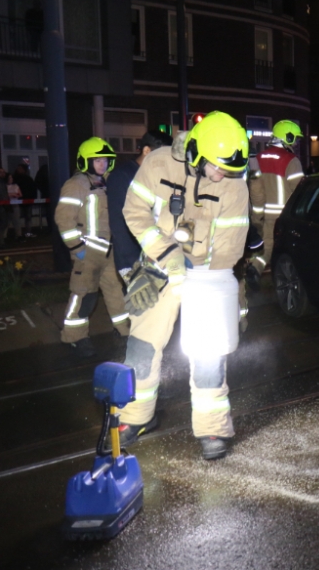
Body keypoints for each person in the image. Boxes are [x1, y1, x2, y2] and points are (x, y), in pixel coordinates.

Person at [118, 111, 250, 460]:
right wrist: (164, 255)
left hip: (205, 278)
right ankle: (135, 416)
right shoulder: (159, 164)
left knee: (207, 355)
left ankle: (212, 428)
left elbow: (230, 249)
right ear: (196, 153)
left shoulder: (234, 187)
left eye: (230, 169)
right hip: (159, 270)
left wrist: (197, 274)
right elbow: (134, 212)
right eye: (217, 166)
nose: (223, 175)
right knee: (142, 347)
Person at [54, 138, 130, 358]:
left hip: (110, 249)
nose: (102, 164)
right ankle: (74, 337)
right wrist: (77, 247)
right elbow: (64, 220)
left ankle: (124, 331)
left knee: (116, 292)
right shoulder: (75, 185)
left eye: (105, 160)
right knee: (83, 294)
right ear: (85, 161)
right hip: (88, 250)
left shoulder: (108, 182)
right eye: (96, 160)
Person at [107, 130, 173, 278]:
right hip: (132, 259)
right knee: (141, 299)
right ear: (146, 150)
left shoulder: (159, 176)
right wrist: (132, 263)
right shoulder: (122, 176)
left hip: (156, 255)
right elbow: (119, 224)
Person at [248, 120, 304, 280]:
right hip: (282, 215)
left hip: (260, 213)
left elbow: (254, 188)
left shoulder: (258, 158)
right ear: (288, 137)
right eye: (295, 138)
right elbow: (299, 191)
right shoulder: (291, 161)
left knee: (264, 244)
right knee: (272, 247)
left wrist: (255, 216)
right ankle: (256, 269)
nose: (297, 142)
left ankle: (254, 267)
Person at [13, 163, 37, 238]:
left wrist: (32, 199)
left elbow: (33, 189)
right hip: (18, 201)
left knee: (28, 218)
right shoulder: (15, 179)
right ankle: (18, 234)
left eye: (21, 168)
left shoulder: (28, 179)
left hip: (27, 201)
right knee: (17, 218)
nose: (19, 170)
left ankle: (27, 233)